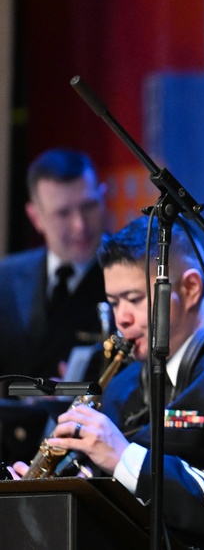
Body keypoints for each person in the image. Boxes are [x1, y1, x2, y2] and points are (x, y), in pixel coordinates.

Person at [12, 215, 204, 550]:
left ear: (189, 289)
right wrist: (52, 495)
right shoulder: (123, 383)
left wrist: (127, 460)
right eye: (114, 302)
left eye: (135, 299)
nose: (122, 318)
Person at [0, 149, 109, 382]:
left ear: (103, 198)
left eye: (89, 206)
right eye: (63, 213)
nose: (80, 225)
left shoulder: (131, 279)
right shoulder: (5, 279)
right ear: (35, 217)